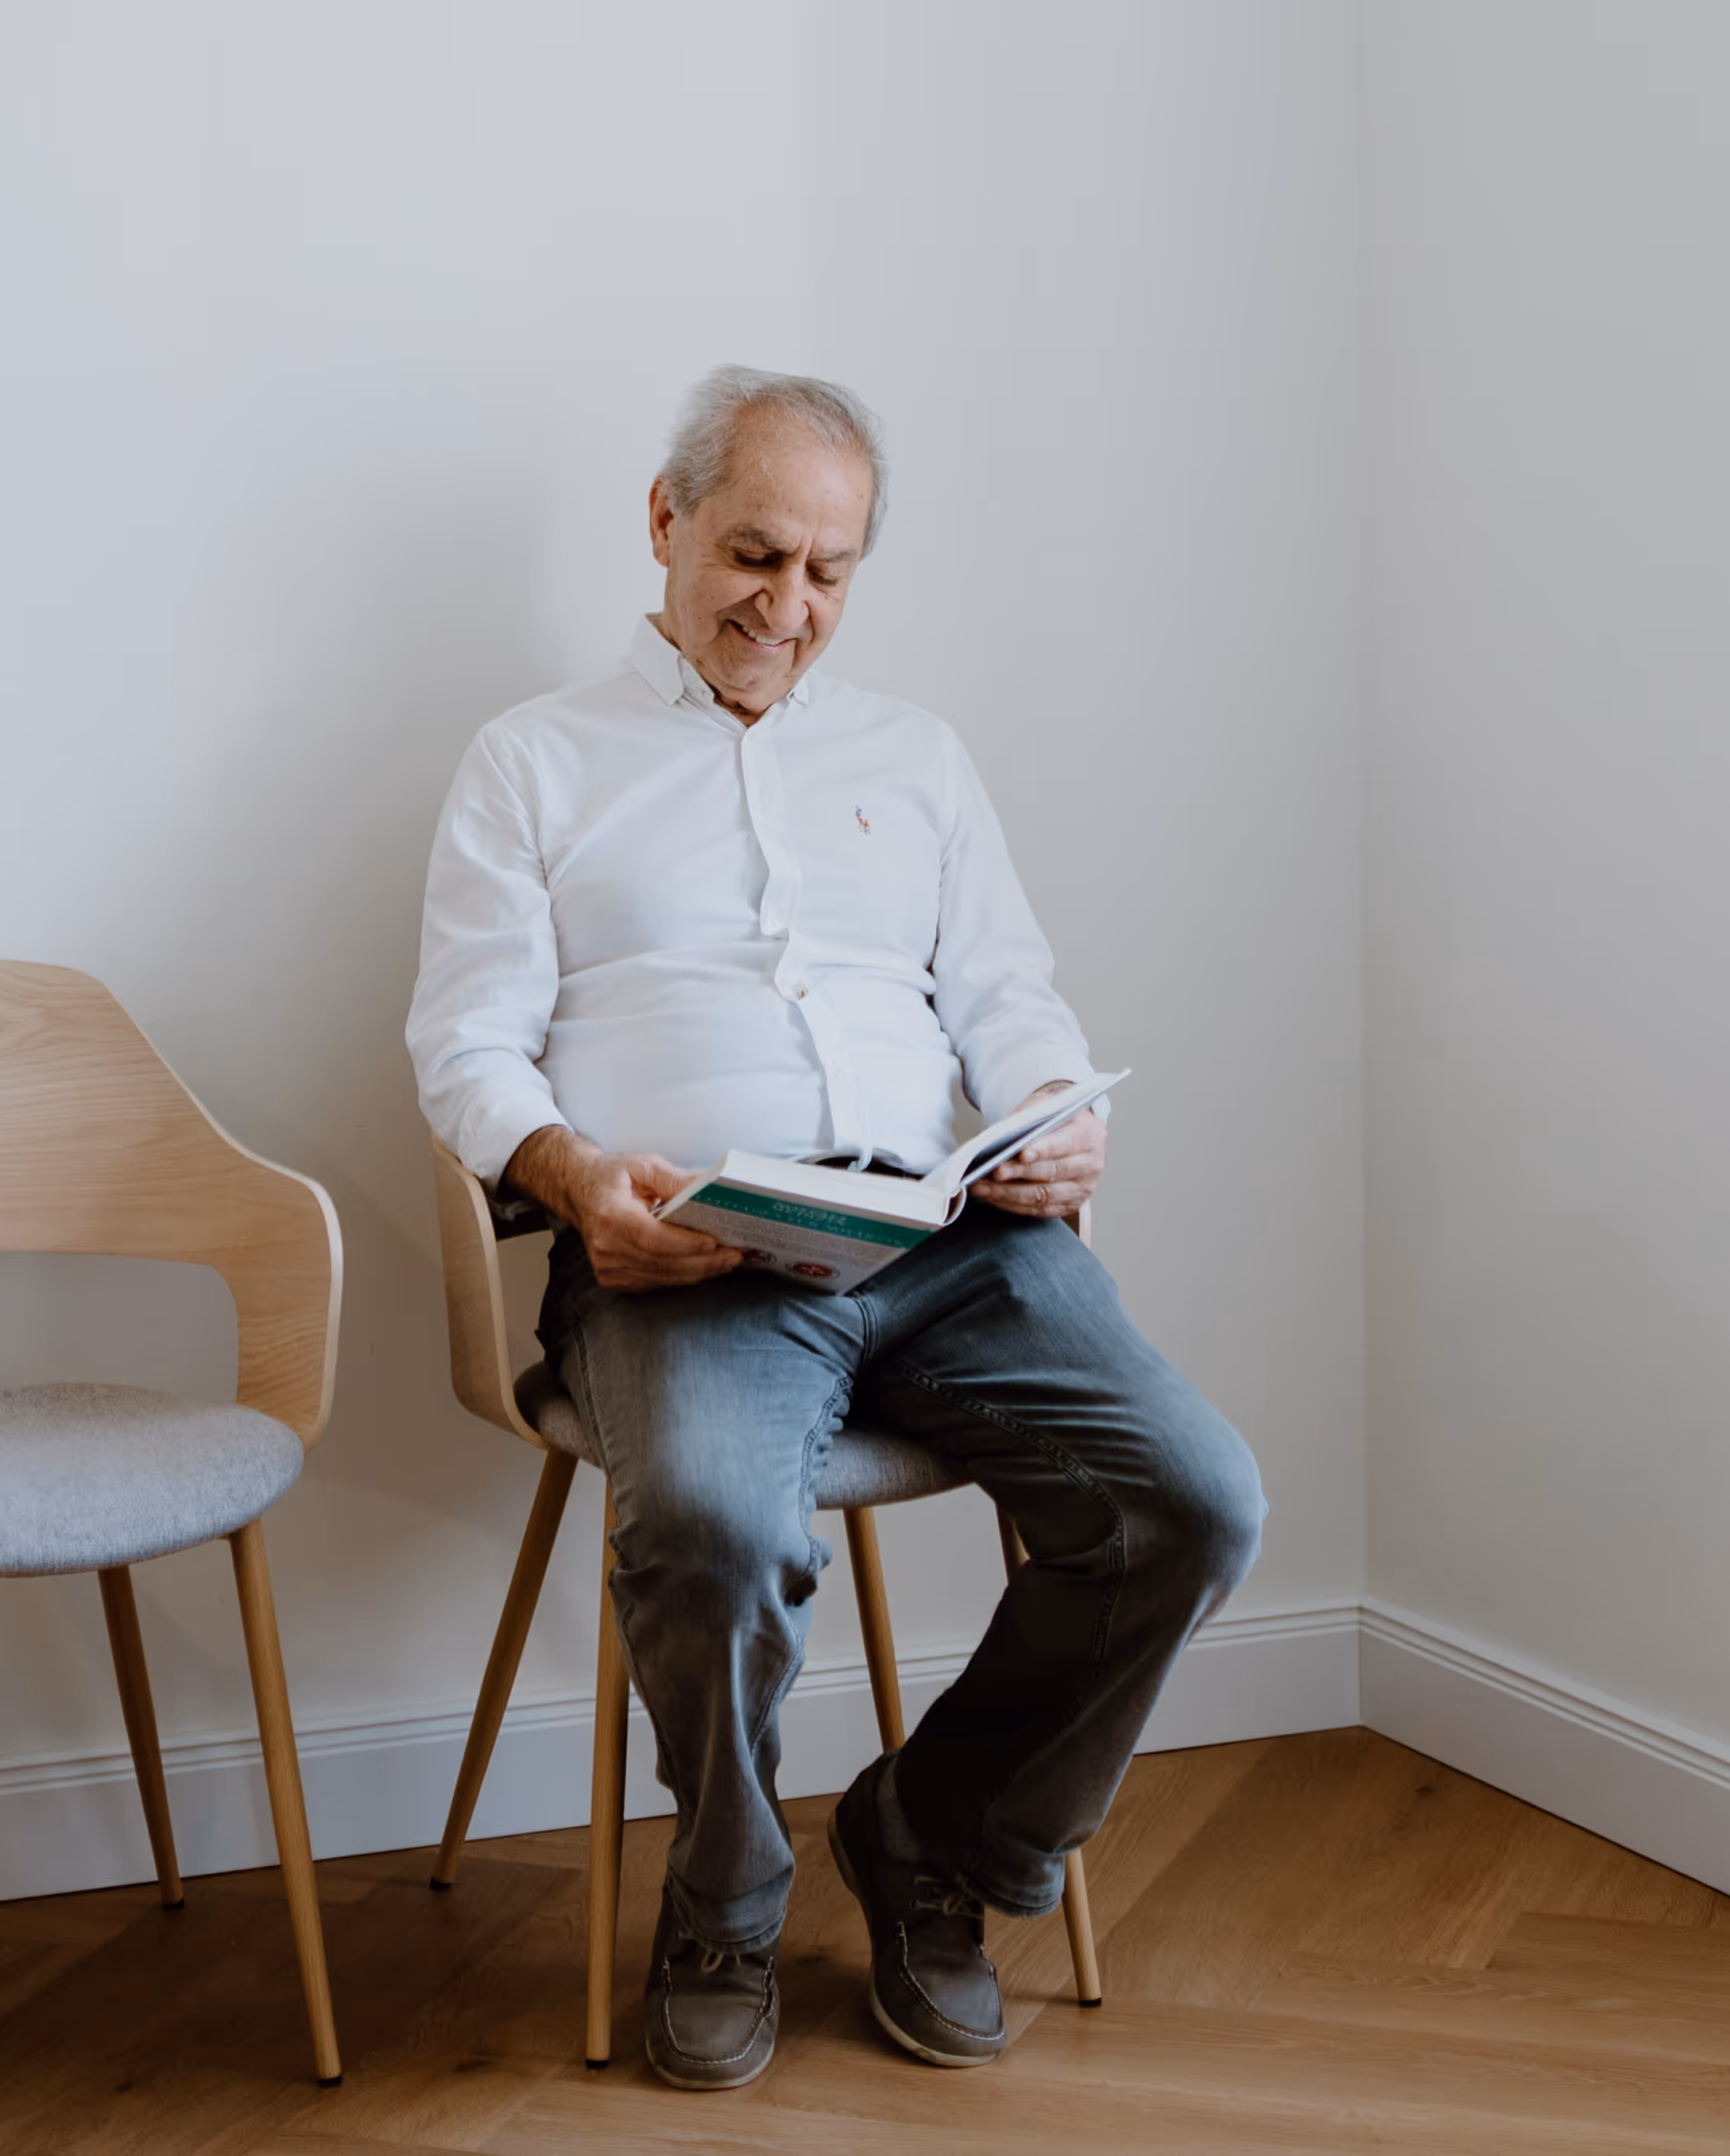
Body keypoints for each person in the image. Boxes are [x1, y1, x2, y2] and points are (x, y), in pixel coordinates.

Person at [407, 366, 1266, 2090]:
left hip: (947, 1240)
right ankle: (722, 1899)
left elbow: (1006, 991)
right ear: (663, 522)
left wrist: (1055, 1120)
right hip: (692, 1254)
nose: (786, 608)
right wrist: (579, 1183)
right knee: (719, 1529)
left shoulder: (916, 758)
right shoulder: (531, 762)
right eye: (754, 554)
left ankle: (932, 1840)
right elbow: (463, 1041)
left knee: (1194, 1501)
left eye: (830, 572)